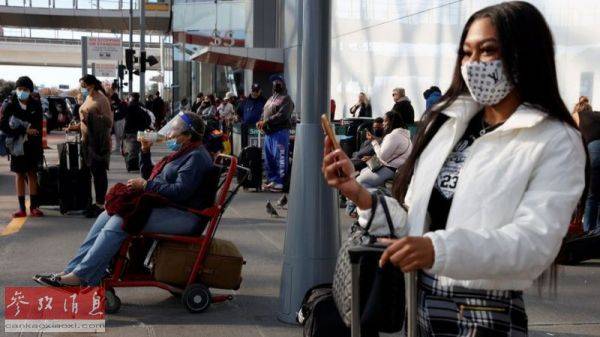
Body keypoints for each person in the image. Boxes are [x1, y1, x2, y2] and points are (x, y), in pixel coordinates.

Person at [322, 2, 586, 335]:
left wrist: (437, 250)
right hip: (419, 302)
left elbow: (534, 244)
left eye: (488, 50)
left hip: (485, 312)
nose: (474, 64)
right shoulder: (449, 125)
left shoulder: (554, 139)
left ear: (525, 55)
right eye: (466, 53)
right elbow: (416, 224)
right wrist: (358, 194)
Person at [34, 113, 215, 287]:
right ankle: (72, 271)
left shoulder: (196, 157)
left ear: (188, 136)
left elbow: (179, 192)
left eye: (174, 132)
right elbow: (152, 178)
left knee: (121, 221)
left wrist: (146, 186)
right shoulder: (182, 153)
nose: (169, 135)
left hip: (186, 216)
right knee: (106, 215)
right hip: (169, 207)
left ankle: (83, 276)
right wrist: (145, 153)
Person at [346, 111, 411, 217]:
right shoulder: (404, 135)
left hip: (389, 169)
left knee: (359, 181)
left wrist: (373, 141)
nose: (383, 123)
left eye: (385, 121)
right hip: (394, 169)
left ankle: (382, 197)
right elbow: (390, 155)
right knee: (362, 172)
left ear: (391, 122)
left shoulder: (394, 136)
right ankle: (356, 208)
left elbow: (382, 155)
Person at [67, 75, 114, 218]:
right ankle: (90, 202)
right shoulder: (88, 99)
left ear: (92, 85)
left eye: (85, 85)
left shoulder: (102, 99)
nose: (83, 89)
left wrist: (92, 116)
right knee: (88, 172)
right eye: (81, 86)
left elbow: (108, 122)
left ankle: (100, 204)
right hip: (86, 140)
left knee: (99, 172)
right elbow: (84, 120)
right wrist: (75, 126)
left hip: (99, 142)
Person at [0, 76, 44, 217]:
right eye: (19, 89)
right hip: (16, 146)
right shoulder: (10, 105)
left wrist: (30, 132)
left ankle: (34, 207)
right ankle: (21, 208)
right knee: (19, 174)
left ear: (30, 91)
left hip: (32, 145)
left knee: (32, 174)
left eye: (25, 89)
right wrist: (23, 130)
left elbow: (37, 126)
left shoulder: (36, 105)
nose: (21, 92)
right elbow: (4, 125)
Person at [257, 74, 295, 193]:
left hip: (280, 132)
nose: (275, 84)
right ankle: (272, 179)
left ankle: (280, 182)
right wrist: (261, 121)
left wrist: (266, 121)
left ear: (283, 84)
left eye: (278, 81)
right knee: (269, 158)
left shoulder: (286, 98)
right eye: (274, 82)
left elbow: (282, 115)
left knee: (280, 157)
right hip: (269, 133)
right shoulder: (270, 98)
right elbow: (264, 112)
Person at [573, 101, 600, 232]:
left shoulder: (576, 115)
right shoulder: (596, 115)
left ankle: (588, 231)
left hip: (594, 150)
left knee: (592, 194)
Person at [238, 83, 266, 148]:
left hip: (257, 128)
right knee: (245, 148)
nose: (255, 93)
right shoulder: (245, 100)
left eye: (257, 91)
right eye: (253, 91)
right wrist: (242, 119)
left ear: (260, 91)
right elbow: (239, 111)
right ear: (251, 90)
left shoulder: (264, 101)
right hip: (245, 127)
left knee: (256, 148)